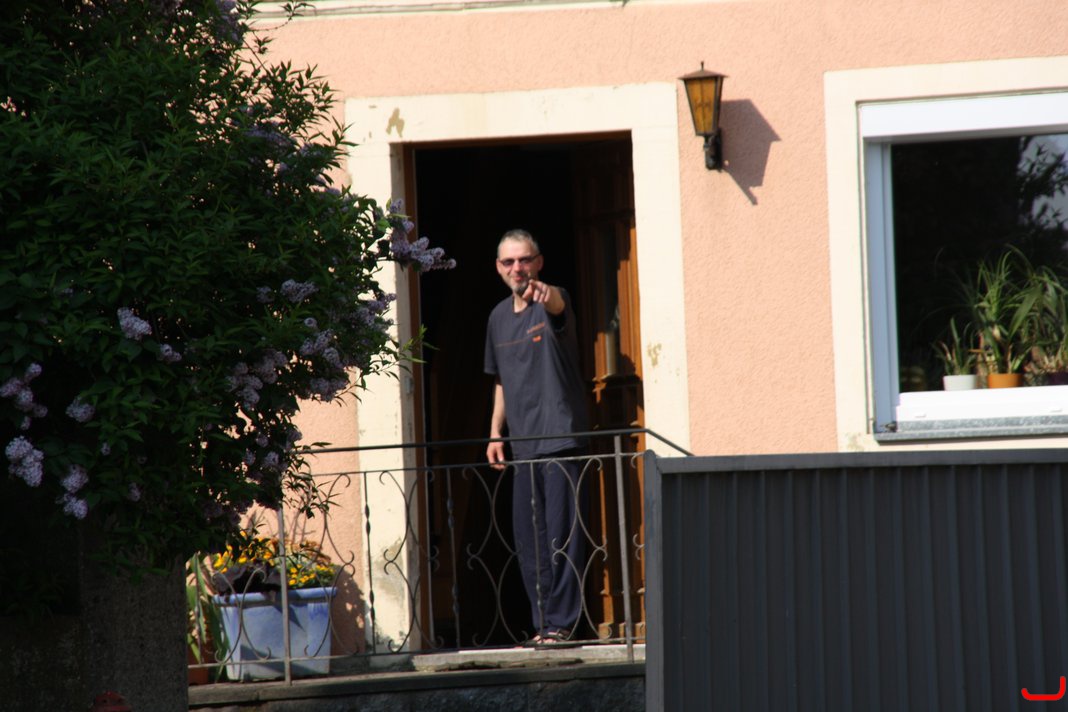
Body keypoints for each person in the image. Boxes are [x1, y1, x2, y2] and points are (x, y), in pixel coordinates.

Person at [484, 228, 589, 645]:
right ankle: (543, 624)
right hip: (522, 445)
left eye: (525, 260)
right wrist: (496, 432)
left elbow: (560, 305)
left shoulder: (552, 301)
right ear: (498, 267)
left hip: (560, 439)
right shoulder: (497, 318)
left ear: (539, 262)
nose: (518, 268)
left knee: (562, 537)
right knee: (530, 543)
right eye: (509, 262)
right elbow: (500, 380)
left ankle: (562, 624)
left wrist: (551, 296)